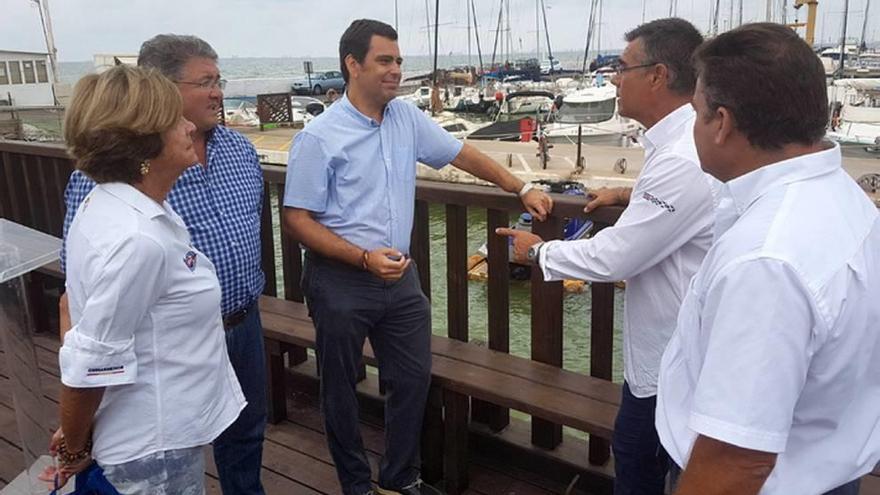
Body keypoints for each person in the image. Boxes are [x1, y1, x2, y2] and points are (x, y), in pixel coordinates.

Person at [282, 19, 553, 495]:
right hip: (340, 279)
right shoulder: (319, 137)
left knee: (412, 379)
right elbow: (298, 220)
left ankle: (398, 478)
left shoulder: (406, 118)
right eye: (384, 60)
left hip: (400, 278)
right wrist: (363, 258)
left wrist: (521, 186)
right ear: (353, 64)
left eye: (398, 61)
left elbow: (460, 154)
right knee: (340, 387)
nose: (396, 70)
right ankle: (355, 485)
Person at [655, 23, 880, 495]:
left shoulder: (766, 259)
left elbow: (738, 459)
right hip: (829, 468)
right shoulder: (843, 198)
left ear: (723, 122)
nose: (692, 127)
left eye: (696, 113)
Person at [497, 18, 714, 495]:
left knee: (640, 470)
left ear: (657, 75)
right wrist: (632, 194)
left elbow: (616, 258)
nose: (614, 78)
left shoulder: (681, 156)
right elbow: (684, 207)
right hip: (669, 362)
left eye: (622, 67)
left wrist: (539, 252)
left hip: (671, 369)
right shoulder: (683, 145)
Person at [60, 34, 267, 495]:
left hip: (239, 324)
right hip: (158, 406)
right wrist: (76, 439)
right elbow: (81, 312)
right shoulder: (129, 222)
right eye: (205, 82)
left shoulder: (146, 200)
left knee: (246, 438)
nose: (217, 93)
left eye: (220, 80)